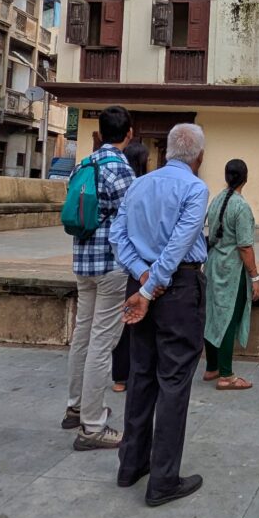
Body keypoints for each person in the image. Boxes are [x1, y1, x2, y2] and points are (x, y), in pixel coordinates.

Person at [110, 123, 209, 507]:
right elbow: (180, 243)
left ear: (167, 151)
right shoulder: (195, 188)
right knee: (173, 381)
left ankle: (131, 463)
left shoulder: (139, 184)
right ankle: (164, 478)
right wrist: (152, 285)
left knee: (141, 375)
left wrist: (141, 276)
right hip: (176, 288)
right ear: (198, 157)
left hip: (144, 284)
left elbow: (118, 235)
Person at [62, 105, 136, 450]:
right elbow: (133, 220)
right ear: (129, 133)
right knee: (102, 343)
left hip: (83, 262)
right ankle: (92, 427)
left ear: (100, 133)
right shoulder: (120, 169)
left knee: (83, 334)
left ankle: (75, 407)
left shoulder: (84, 163)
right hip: (110, 267)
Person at [203, 159, 259, 390]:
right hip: (232, 270)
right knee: (228, 318)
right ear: (245, 178)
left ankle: (212, 366)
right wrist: (255, 278)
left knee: (212, 314)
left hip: (213, 264)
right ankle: (226, 375)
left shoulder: (217, 200)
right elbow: (245, 247)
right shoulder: (241, 207)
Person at [110, 140, 150, 393]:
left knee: (123, 321)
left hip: (117, 260)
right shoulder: (140, 186)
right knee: (139, 322)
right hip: (138, 265)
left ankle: (119, 378)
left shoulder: (121, 181)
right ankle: (138, 373)